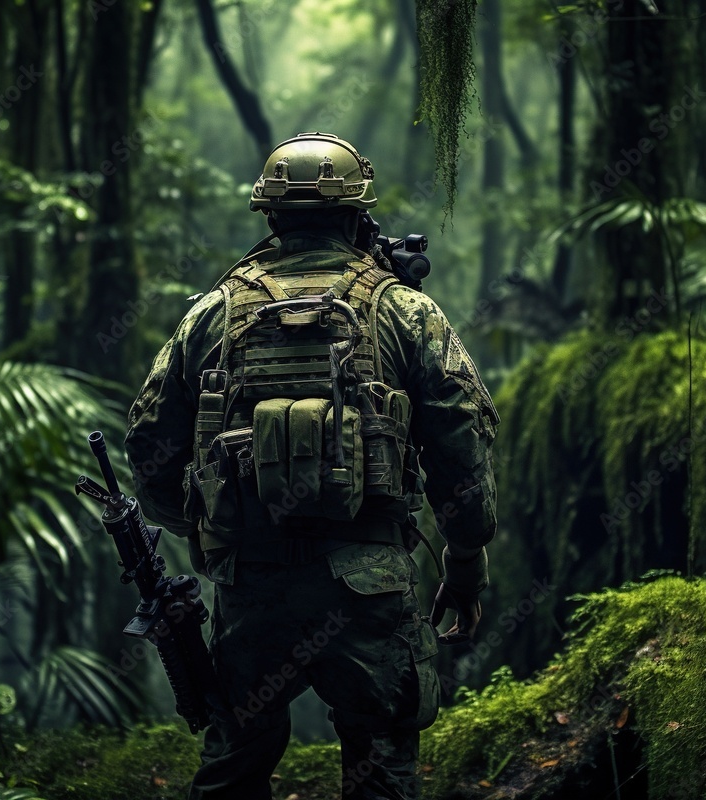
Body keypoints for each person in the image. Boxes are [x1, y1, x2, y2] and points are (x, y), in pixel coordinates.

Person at [124, 132, 499, 800]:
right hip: (370, 586)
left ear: (268, 215)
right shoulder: (405, 311)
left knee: (234, 766)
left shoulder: (211, 315)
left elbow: (150, 447)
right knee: (380, 764)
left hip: (252, 587)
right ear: (359, 214)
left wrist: (216, 526)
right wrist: (465, 560)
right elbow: (462, 440)